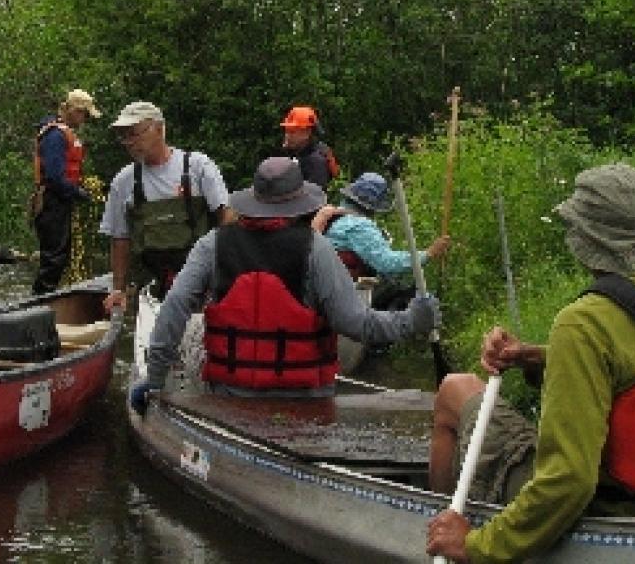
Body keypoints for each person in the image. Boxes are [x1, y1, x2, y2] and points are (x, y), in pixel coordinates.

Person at [426, 163, 635, 563]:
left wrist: (476, 546)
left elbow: (569, 482)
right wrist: (535, 358)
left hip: (606, 516)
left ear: (584, 239)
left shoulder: (582, 322)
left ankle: (440, 530)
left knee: (455, 390)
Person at [129, 156, 442, 412]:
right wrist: (412, 320)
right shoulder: (316, 248)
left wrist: (155, 378)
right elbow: (357, 324)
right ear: (301, 205)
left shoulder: (213, 244)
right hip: (305, 400)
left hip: (230, 394)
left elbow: (174, 307)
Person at [101, 101, 231, 311]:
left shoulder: (198, 166)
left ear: (160, 129)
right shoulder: (123, 182)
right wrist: (118, 290)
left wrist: (224, 276)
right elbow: (120, 239)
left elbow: (227, 218)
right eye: (124, 136)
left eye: (134, 133)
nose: (128, 142)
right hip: (153, 286)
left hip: (203, 284)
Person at [311, 172, 450, 282]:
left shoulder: (334, 214)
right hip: (344, 291)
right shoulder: (358, 225)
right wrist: (428, 254)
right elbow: (386, 263)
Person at [31, 89, 101, 295]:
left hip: (60, 200)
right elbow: (54, 176)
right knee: (54, 258)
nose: (85, 119)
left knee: (60, 255)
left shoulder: (63, 133)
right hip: (52, 202)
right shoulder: (55, 136)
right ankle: (40, 301)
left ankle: (48, 298)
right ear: (72, 110)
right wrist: (77, 193)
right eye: (84, 114)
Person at [280, 105, 339, 190]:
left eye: (292, 132)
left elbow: (315, 198)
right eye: (286, 131)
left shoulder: (316, 162)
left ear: (307, 133)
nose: (287, 136)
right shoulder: (300, 152)